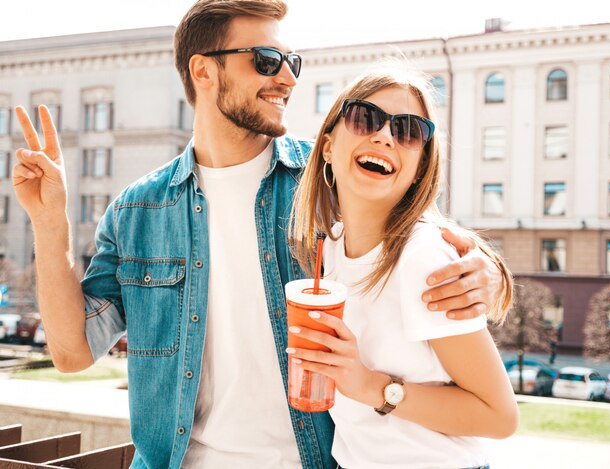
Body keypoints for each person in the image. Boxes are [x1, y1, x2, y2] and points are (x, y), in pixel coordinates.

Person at [11, 1, 509, 467]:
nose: (288, 77)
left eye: (292, 60)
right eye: (267, 60)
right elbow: (73, 352)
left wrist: (489, 270)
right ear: (204, 71)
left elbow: (419, 229)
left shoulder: (330, 177)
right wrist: (49, 223)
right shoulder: (138, 211)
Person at [288, 63, 518, 468]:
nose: (384, 136)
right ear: (327, 146)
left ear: (418, 169)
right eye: (364, 118)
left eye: (408, 131)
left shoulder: (423, 257)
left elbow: (499, 416)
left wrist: (369, 385)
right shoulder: (331, 247)